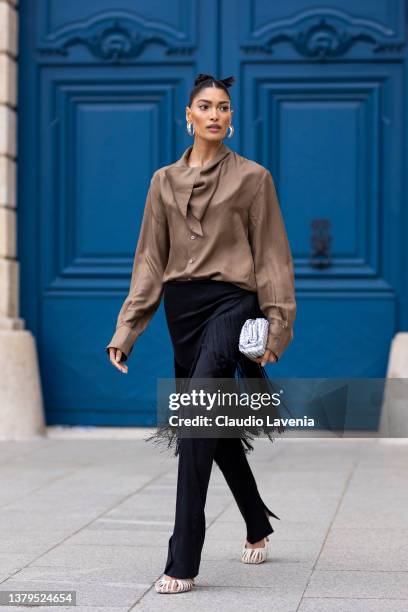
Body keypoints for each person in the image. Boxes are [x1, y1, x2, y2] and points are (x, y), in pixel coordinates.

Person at [105, 73, 296, 594]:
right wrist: (129, 329)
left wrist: (276, 326)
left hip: (233, 303)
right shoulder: (162, 181)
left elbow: (274, 255)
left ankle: (182, 557)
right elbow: (149, 259)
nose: (215, 114)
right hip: (182, 310)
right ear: (187, 116)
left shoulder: (254, 178)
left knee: (196, 421)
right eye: (205, 106)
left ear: (232, 119)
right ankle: (257, 521)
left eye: (224, 107)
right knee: (215, 426)